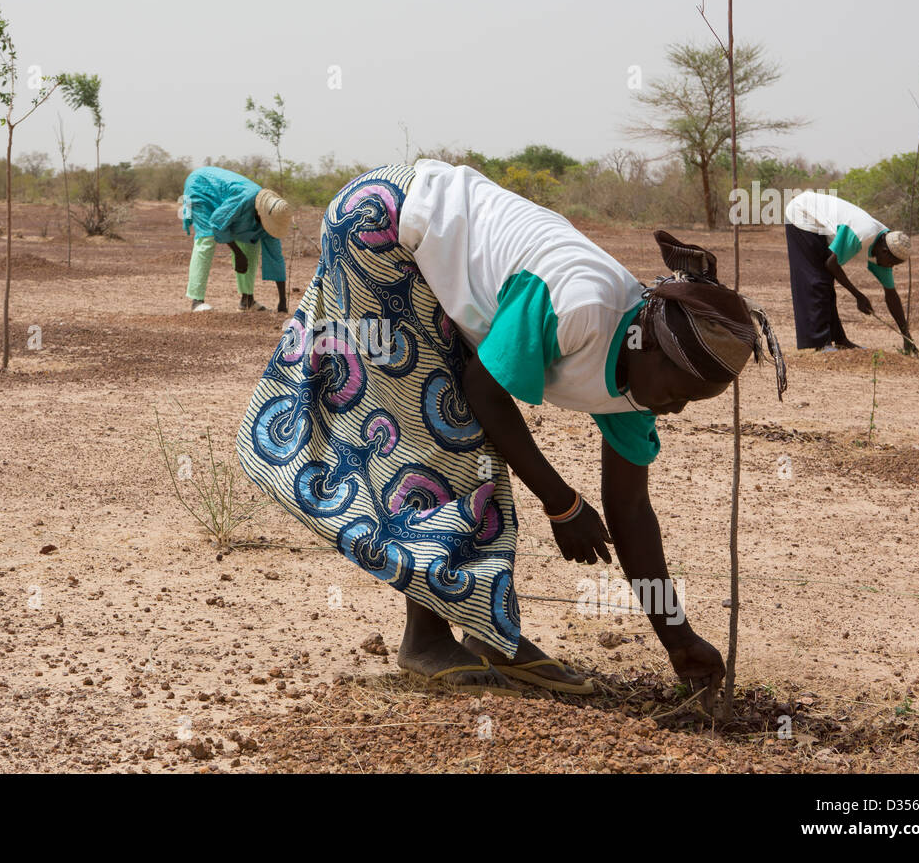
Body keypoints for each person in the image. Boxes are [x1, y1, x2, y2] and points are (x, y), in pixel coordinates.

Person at [237, 161, 786, 699]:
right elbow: (485, 392)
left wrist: (678, 637)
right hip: (387, 221)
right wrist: (561, 503)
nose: (676, 412)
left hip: (430, 243)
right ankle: (431, 638)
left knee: (462, 436)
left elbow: (631, 511)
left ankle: (483, 626)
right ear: (651, 344)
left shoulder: (641, 393)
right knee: (447, 433)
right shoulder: (578, 305)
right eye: (678, 394)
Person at [783, 191, 915, 353]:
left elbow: (891, 294)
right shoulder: (862, 233)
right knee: (816, 280)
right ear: (885, 251)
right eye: (891, 263)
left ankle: (839, 339)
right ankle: (821, 343)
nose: (890, 267)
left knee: (825, 281)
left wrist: (906, 336)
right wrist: (858, 295)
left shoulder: (886, 248)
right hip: (802, 214)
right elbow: (831, 264)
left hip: (818, 220)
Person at [181, 166, 290, 313]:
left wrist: (282, 302)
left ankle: (247, 301)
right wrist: (238, 253)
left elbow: (276, 258)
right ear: (260, 213)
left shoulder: (272, 220)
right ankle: (196, 301)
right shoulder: (245, 199)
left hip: (221, 199)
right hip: (201, 187)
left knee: (250, 243)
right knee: (207, 238)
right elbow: (217, 223)